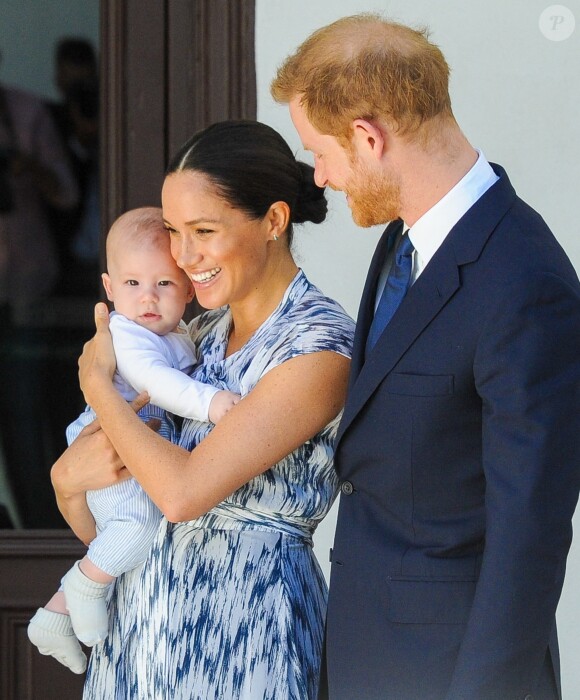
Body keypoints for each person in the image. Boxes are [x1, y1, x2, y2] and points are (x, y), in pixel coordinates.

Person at [271, 13, 580, 700]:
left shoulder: (526, 279)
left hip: (451, 675)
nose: (318, 177)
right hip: (366, 659)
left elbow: (529, 537)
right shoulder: (401, 246)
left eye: (318, 151)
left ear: (368, 137)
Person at [50, 120, 355, 698]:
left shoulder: (318, 344)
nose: (182, 256)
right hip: (140, 639)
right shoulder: (198, 333)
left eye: (203, 230)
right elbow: (119, 525)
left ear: (273, 220)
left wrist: (97, 385)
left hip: (246, 641)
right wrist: (66, 485)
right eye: (171, 230)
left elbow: (181, 494)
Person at [27, 206, 240, 673]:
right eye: (132, 284)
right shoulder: (126, 335)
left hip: (132, 445)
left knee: (131, 526)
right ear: (108, 288)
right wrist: (212, 403)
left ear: (187, 287)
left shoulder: (181, 333)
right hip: (108, 443)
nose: (148, 297)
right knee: (137, 527)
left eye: (163, 284)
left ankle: (55, 615)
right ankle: (83, 585)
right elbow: (156, 383)